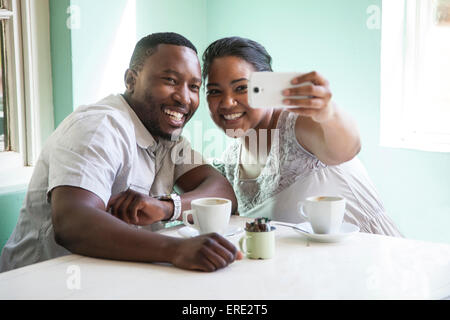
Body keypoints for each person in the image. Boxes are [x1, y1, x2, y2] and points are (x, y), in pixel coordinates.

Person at [0, 32, 242, 273]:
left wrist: (167, 207)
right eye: (170, 80)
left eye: (194, 87)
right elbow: (73, 223)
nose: (184, 97)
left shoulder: (168, 139)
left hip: (113, 280)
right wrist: (177, 249)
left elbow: (223, 193)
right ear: (130, 80)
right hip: (40, 284)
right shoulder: (99, 126)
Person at [202, 36, 403, 237]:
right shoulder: (231, 159)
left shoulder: (299, 124)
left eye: (241, 88)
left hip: (372, 254)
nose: (227, 103)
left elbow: (347, 149)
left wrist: (328, 112)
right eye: (214, 91)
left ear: (266, 85)